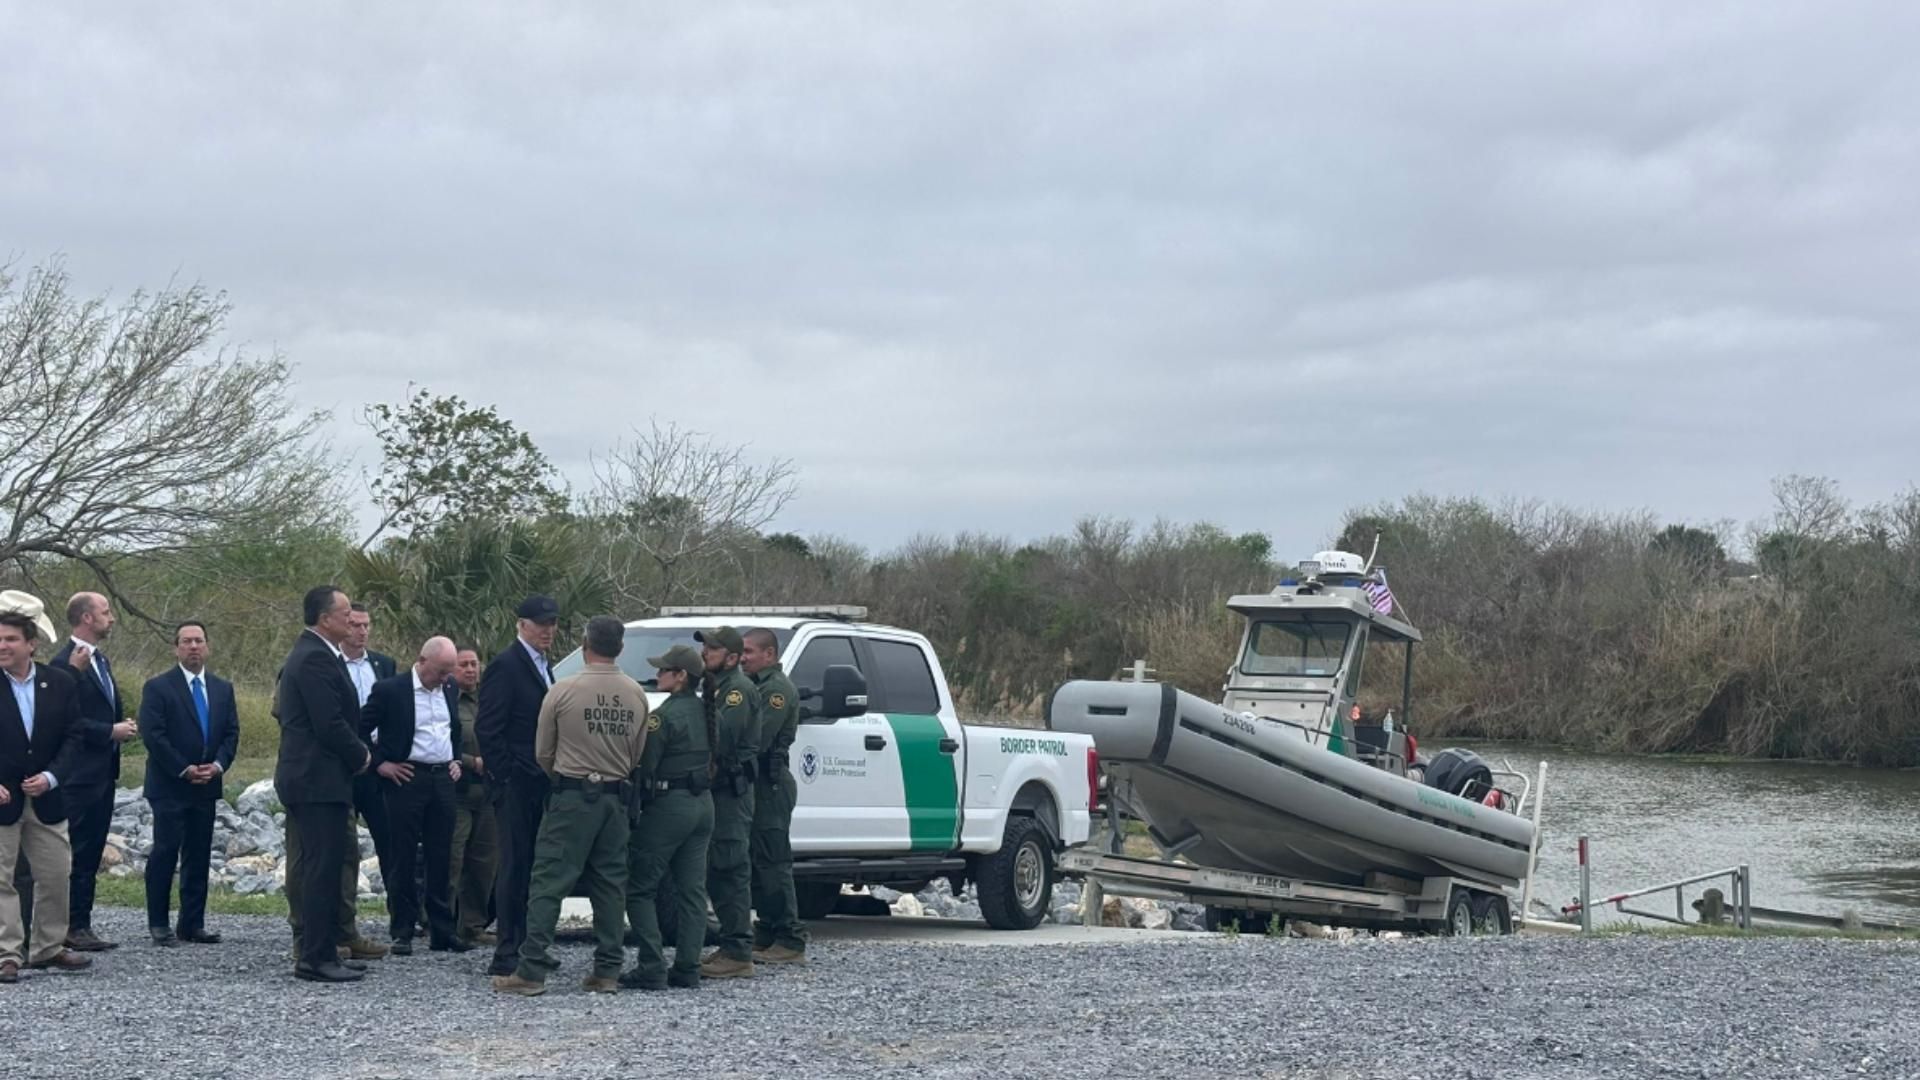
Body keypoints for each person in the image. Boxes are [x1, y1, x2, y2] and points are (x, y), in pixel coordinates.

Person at [493, 616, 648, 997]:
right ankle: (608, 970)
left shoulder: (563, 690)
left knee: (548, 881)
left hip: (572, 796)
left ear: (584, 645)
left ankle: (531, 970)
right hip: (615, 798)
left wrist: (568, 776)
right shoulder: (635, 693)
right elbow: (637, 752)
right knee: (610, 884)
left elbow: (543, 751)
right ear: (621, 649)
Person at [274, 585, 374, 984]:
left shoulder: (320, 655)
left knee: (328, 867)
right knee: (320, 868)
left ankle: (326, 947)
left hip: (322, 779)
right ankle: (314, 957)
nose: (352, 619)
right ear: (324, 618)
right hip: (315, 780)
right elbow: (328, 722)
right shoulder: (313, 659)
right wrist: (362, 755)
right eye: (346, 612)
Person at [0, 591, 92, 983]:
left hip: (48, 797)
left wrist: (52, 777)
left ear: (31, 643)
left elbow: (74, 736)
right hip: (2, 799)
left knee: (56, 873)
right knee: (1, 879)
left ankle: (47, 948)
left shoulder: (59, 682)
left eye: (10, 639)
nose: (2, 645)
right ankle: (7, 954)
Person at [137, 621, 239, 946]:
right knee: (166, 852)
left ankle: (192, 924)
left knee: (198, 854)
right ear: (176, 648)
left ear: (207, 646)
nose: (193, 647)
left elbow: (231, 733)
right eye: (186, 642)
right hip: (170, 785)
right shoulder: (158, 687)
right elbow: (153, 735)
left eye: (198, 641)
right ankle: (159, 923)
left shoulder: (223, 688)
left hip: (207, 785)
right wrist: (183, 768)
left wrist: (218, 765)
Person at [364, 637, 467, 955]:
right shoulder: (391, 690)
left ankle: (441, 929)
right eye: (440, 671)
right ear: (422, 661)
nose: (446, 677)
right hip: (407, 778)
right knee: (402, 855)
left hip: (442, 779)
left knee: (441, 855)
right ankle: (402, 929)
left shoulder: (448, 689)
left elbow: (454, 730)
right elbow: (359, 728)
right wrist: (380, 764)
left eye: (449, 672)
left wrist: (457, 759)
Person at [49, 592, 139, 953]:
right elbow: (62, 719)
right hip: (78, 776)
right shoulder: (63, 664)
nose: (112, 618)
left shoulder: (100, 661)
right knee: (76, 849)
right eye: (105, 612)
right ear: (86, 618)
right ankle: (67, 924)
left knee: (92, 850)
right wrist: (109, 732)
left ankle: (81, 923)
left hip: (103, 774)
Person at [620, 644, 713, 991]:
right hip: (703, 804)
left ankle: (652, 965)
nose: (657, 675)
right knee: (692, 892)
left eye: (663, 670)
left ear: (681, 676)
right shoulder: (708, 711)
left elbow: (646, 768)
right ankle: (687, 967)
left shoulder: (664, 716)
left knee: (640, 888)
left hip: (669, 805)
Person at [475, 595, 558, 976]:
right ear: (522, 624)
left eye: (552, 623)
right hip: (515, 782)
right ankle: (507, 949)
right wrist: (504, 775)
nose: (548, 630)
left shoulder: (545, 666)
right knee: (514, 864)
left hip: (540, 780)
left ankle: (530, 944)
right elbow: (488, 727)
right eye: (540, 623)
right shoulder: (506, 666)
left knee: (535, 865)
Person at [695, 625, 760, 980]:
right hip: (716, 790)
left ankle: (738, 950)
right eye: (705, 647)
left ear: (732, 658)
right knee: (717, 867)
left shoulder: (738, 692)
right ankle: (731, 945)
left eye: (713, 649)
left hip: (731, 794)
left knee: (730, 867)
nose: (706, 652)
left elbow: (720, 738)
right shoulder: (716, 687)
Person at [743, 627, 807, 965]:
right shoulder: (755, 687)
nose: (743, 657)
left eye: (750, 652)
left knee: (773, 861)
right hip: (756, 785)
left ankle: (790, 937)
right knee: (757, 862)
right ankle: (766, 929)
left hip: (771, 784)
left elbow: (759, 737)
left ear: (769, 654)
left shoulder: (776, 691)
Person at [342, 603, 398, 909]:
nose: (362, 631)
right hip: (345, 764)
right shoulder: (331, 665)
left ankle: (400, 914)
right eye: (355, 625)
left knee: (390, 841)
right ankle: (342, 917)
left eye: (366, 625)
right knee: (343, 847)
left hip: (379, 768)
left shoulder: (383, 665)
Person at [448, 645, 496, 947]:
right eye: (463, 664)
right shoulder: (445, 700)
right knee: (453, 858)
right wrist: (471, 762)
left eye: (474, 664)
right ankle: (444, 922)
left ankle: (474, 924)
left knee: (485, 861)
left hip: (489, 792)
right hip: (459, 791)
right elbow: (440, 741)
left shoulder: (489, 700)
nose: (470, 669)